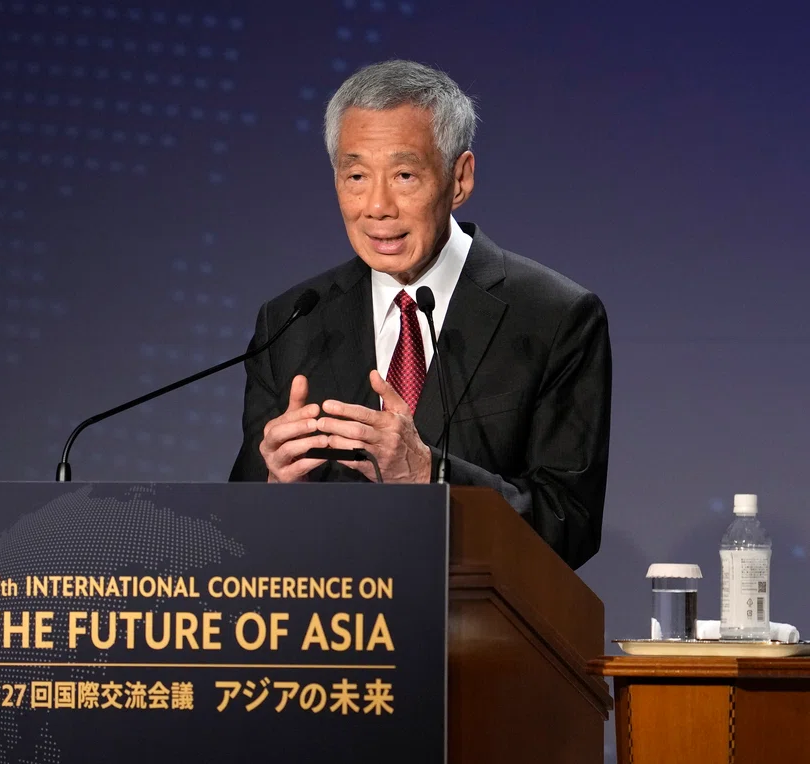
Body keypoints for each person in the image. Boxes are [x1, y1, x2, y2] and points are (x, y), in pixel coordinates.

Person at [229, 60, 611, 570]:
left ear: (459, 179)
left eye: (405, 175)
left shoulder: (555, 317)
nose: (377, 206)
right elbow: (237, 531)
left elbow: (570, 522)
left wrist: (431, 476)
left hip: (476, 636)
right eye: (357, 176)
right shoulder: (292, 321)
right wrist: (275, 489)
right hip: (328, 637)